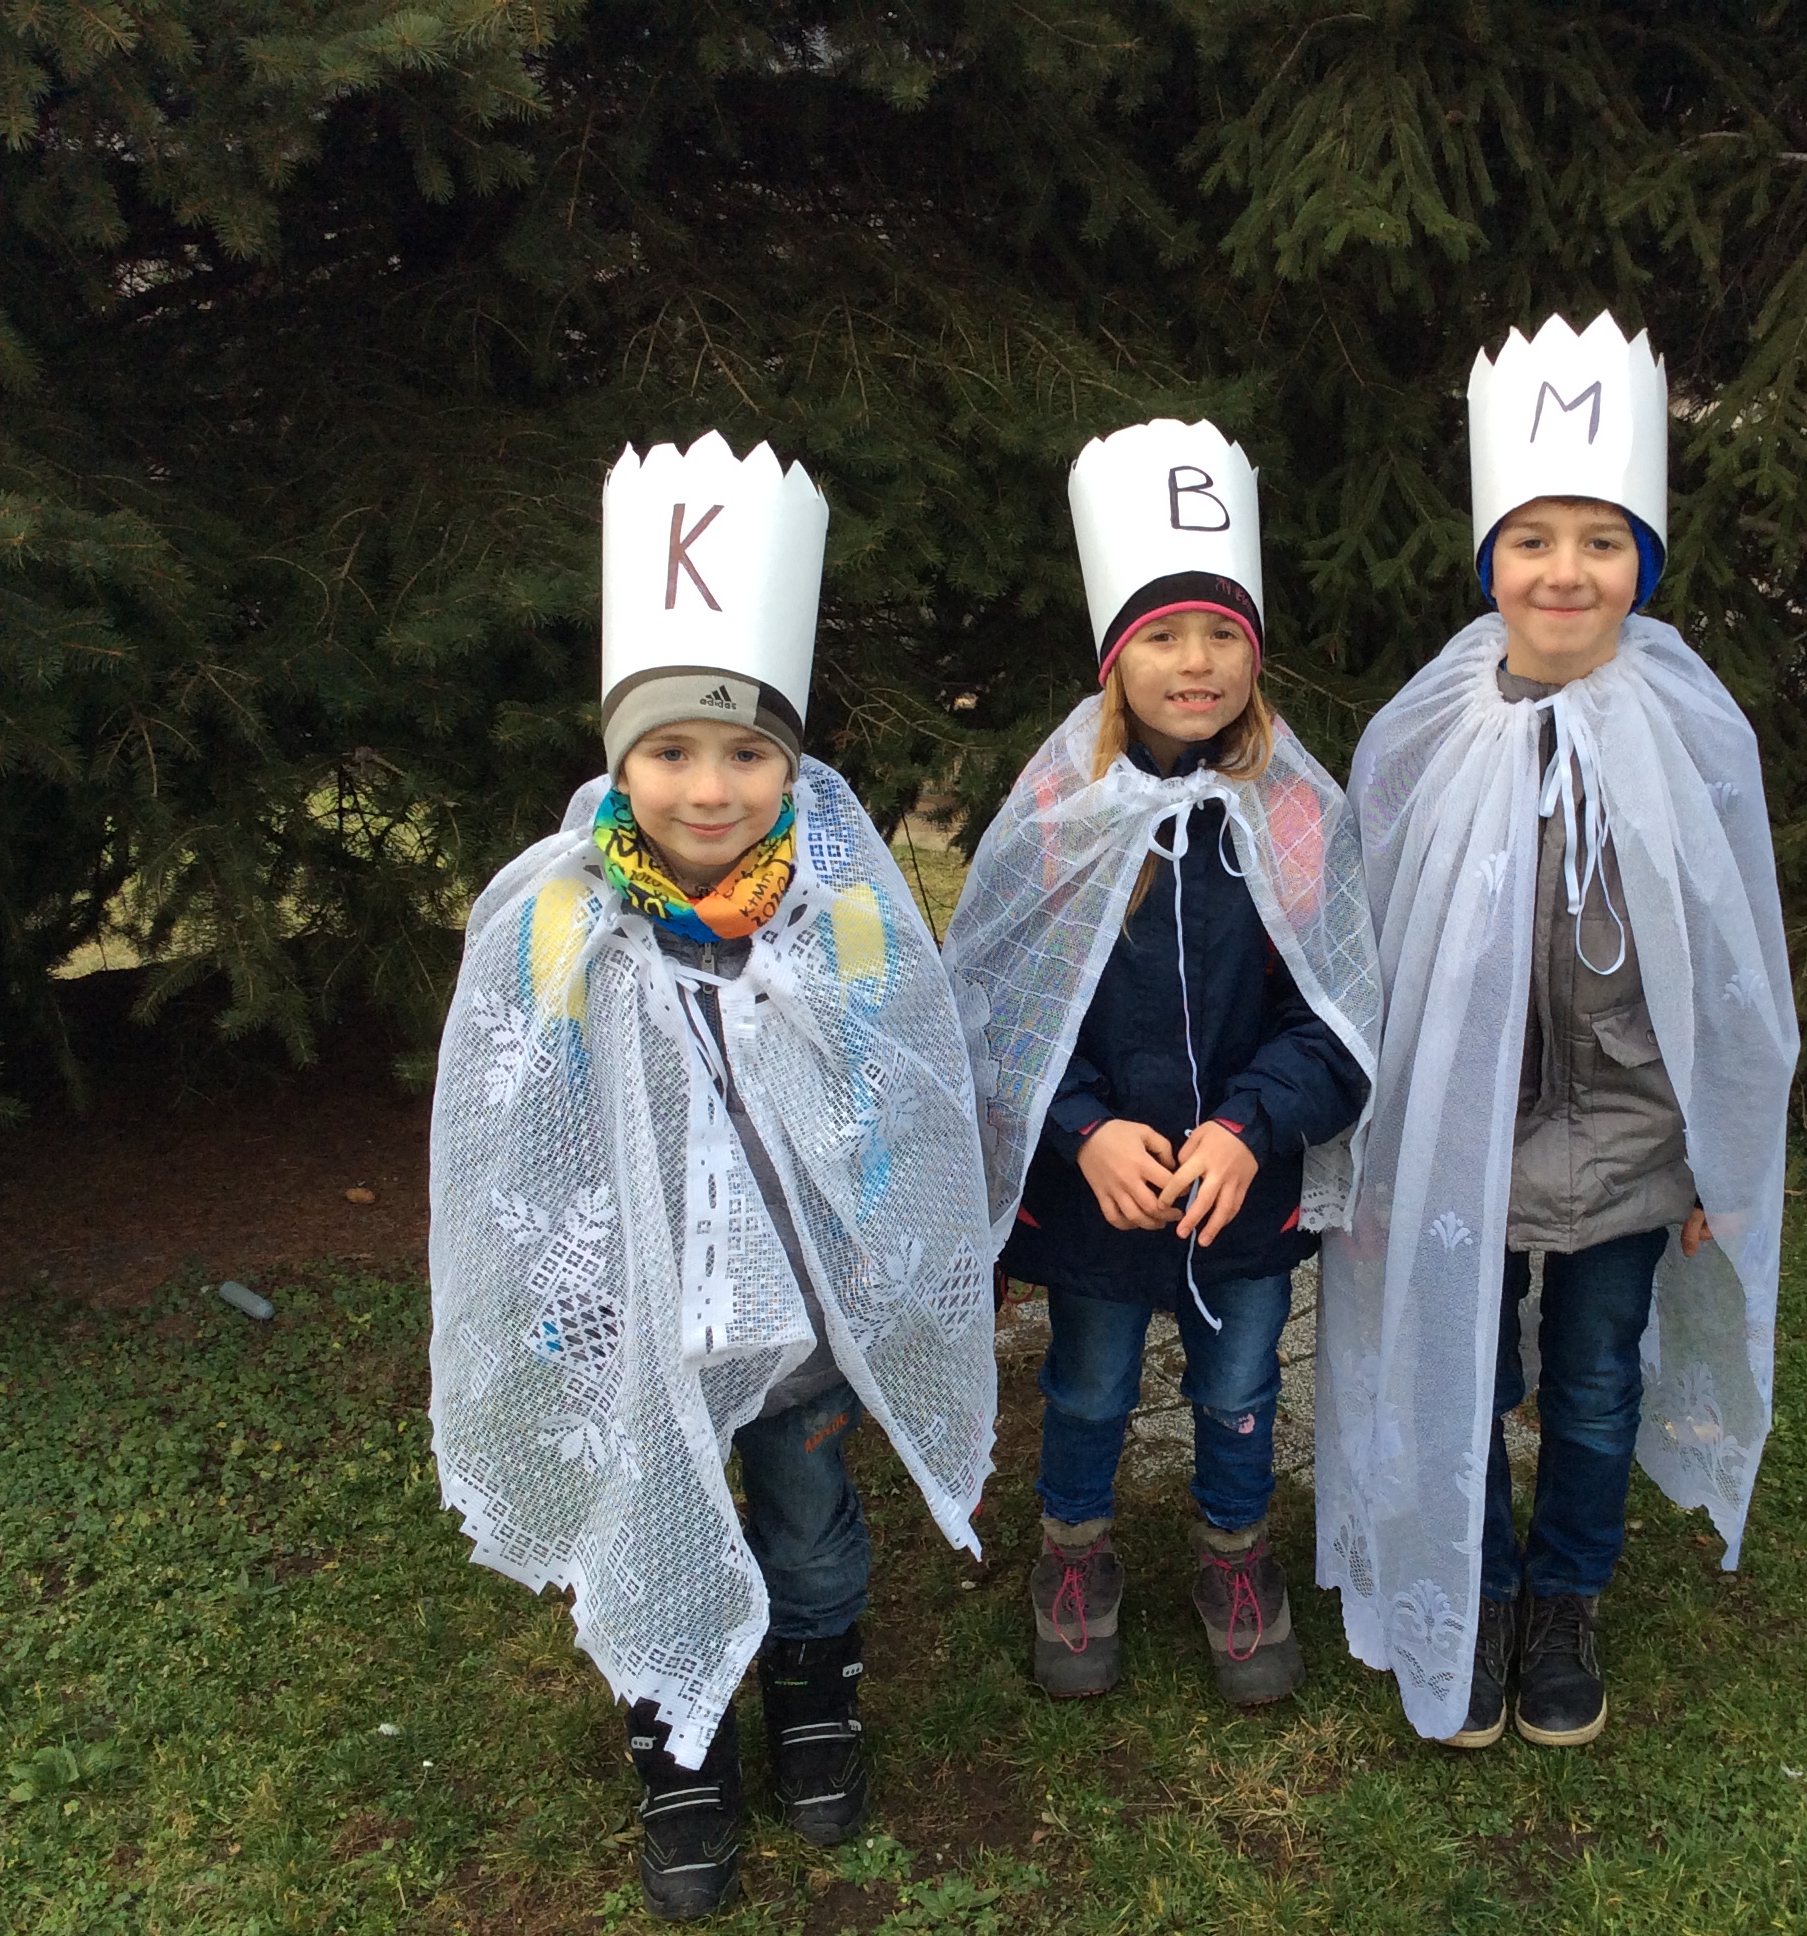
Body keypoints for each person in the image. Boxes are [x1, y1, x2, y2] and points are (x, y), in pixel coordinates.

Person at [428, 433, 999, 1919]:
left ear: (791, 764)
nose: (710, 787)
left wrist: (879, 1243)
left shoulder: (841, 914)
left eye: (748, 754)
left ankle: (816, 1695)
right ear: (620, 759)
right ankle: (678, 1744)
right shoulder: (561, 924)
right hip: (643, 1317)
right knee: (657, 1521)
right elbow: (517, 1128)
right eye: (672, 751)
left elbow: (894, 1092)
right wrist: (561, 1295)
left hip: (799, 1314)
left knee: (809, 1523)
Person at [1316, 315, 1799, 1749]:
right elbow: (1369, 948)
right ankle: (1471, 1590)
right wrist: (1374, 1142)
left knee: (1592, 1387)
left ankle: (1566, 1597)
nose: (1566, 571)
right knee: (1459, 1375)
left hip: (1638, 1141)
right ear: (1492, 563)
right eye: (1532, 540)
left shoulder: (1694, 730)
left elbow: (1736, 959)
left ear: (1642, 561)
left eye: (1601, 541)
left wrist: (1723, 1157)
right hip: (1462, 1134)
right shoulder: (1422, 732)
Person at [942, 419, 1380, 1707]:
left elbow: (1343, 1014)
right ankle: (1073, 1555)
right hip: (1105, 1198)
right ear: (1115, 658)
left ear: (1256, 651)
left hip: (1244, 1191)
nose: (1196, 662)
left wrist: (1252, 1126)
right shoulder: (1055, 814)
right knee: (1089, 1384)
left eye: (1222, 633)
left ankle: (1235, 1556)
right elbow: (1001, 1008)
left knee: (1241, 1381)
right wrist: (1081, 1129)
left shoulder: (1295, 816)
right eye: (1163, 635)